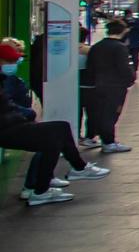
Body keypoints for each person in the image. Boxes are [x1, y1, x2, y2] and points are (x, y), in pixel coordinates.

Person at [0, 76, 109, 207]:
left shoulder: (6, 81)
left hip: (12, 126)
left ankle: (41, 191)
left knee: (54, 139)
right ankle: (78, 169)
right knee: (59, 130)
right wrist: (26, 115)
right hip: (8, 129)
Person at [86, 20, 135, 153]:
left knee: (101, 113)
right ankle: (109, 142)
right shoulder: (120, 47)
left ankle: (105, 140)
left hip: (98, 85)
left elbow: (90, 68)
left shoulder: (96, 47)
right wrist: (131, 80)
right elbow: (124, 68)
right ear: (122, 31)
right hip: (115, 86)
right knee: (112, 114)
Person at [121, 9, 139, 76]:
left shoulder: (122, 22)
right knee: (135, 58)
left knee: (125, 58)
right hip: (135, 43)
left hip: (124, 43)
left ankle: (130, 71)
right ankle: (133, 71)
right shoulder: (137, 21)